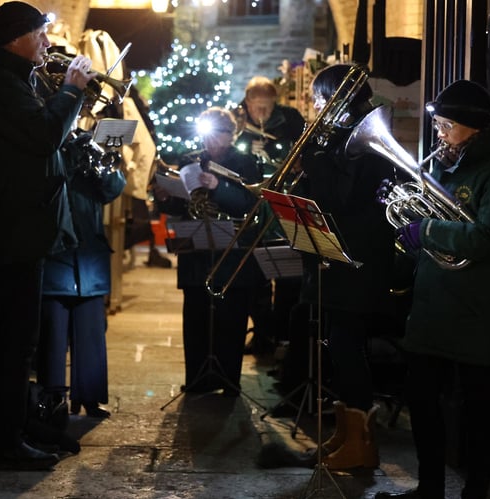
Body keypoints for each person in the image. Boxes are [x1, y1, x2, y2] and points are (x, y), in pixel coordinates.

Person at [375, 81, 490, 499]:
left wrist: (426, 229)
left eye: (447, 126)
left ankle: (475, 494)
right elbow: (431, 212)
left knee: (477, 407)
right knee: (423, 402)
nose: (440, 134)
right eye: (439, 125)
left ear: (475, 129)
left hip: (477, 312)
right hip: (433, 306)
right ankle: (429, 489)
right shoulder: (449, 163)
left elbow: (487, 239)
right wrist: (401, 206)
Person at [0, 1, 96, 470]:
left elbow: (43, 144)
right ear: (19, 36)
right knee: (14, 339)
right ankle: (4, 439)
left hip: (27, 225)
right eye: (40, 34)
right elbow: (41, 135)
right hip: (13, 227)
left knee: (26, 337)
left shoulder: (14, 79)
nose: (46, 42)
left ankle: (19, 421)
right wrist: (72, 90)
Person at [287, 63, 398, 469]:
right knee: (338, 346)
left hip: (358, 263)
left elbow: (344, 201)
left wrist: (313, 158)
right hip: (339, 261)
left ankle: (361, 444)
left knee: (349, 349)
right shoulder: (340, 137)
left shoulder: (366, 139)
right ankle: (346, 432)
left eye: (319, 97)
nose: (315, 105)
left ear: (337, 97)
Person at [154, 107, 269, 396]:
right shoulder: (190, 160)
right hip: (197, 251)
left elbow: (249, 203)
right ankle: (196, 378)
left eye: (216, 134)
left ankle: (228, 379)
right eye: (205, 134)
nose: (209, 142)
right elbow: (184, 203)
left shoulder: (246, 163)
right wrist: (167, 198)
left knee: (231, 319)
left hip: (231, 255)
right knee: (195, 317)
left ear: (230, 135)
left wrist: (218, 186)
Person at [35, 129, 126, 420]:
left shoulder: (91, 153)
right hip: (57, 255)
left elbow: (113, 188)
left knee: (91, 333)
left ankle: (90, 396)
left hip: (89, 256)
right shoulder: (49, 149)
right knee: (53, 335)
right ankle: (52, 399)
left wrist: (102, 156)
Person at [233, 76, 307, 356]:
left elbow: (302, 153)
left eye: (267, 107)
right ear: (248, 102)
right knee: (254, 275)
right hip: (254, 207)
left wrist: (276, 153)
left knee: (287, 275)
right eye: (257, 107)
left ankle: (283, 337)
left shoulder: (290, 120)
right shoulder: (238, 119)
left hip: (284, 202)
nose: (262, 113)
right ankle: (263, 332)